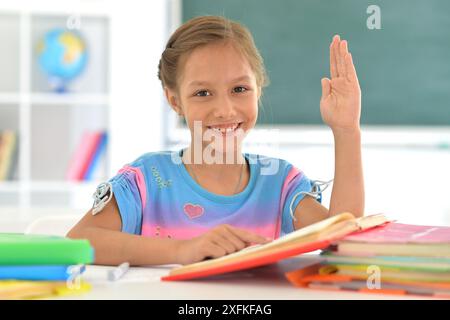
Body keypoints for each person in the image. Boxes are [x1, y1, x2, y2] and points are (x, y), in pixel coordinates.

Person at [67, 16, 364, 266]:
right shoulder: (147, 180)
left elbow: (342, 242)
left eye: (239, 88)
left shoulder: (280, 183)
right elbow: (78, 243)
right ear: (175, 101)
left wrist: (346, 130)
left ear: (258, 90)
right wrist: (183, 250)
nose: (224, 110)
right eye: (202, 93)